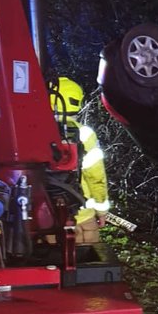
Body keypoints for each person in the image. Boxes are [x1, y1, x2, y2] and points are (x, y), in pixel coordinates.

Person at [50, 77, 110, 245]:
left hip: (46, 221)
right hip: (83, 219)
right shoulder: (86, 135)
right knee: (87, 266)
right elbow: (96, 176)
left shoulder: (34, 134)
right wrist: (101, 210)